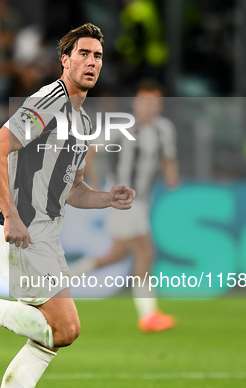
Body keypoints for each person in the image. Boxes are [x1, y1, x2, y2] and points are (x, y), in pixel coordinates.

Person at [0, 23, 136, 388]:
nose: (91, 62)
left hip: (47, 236)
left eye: (98, 56)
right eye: (83, 54)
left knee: (48, 340)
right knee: (65, 329)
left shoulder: (83, 121)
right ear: (65, 60)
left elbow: (72, 190)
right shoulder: (48, 101)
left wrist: (106, 198)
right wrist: (12, 215)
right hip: (24, 231)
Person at [70, 80, 178, 332]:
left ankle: (60, 280)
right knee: (144, 252)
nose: (149, 106)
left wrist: (172, 176)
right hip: (122, 199)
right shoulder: (122, 126)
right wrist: (96, 187)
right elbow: (90, 151)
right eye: (145, 101)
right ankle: (149, 315)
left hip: (142, 201)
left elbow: (168, 158)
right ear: (136, 104)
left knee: (114, 256)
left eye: (154, 102)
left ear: (160, 105)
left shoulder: (164, 129)